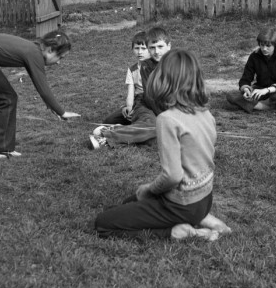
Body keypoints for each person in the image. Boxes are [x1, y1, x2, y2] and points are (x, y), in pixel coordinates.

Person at [94, 49, 232, 240]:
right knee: (125, 204)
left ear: (162, 79)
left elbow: (172, 176)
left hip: (180, 205)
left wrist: (149, 189)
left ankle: (178, 232)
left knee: (103, 223)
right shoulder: (206, 114)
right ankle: (203, 217)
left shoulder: (168, 119)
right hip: (204, 199)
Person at [0, 29, 80, 159]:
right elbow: (43, 87)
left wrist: (52, 107)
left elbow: (38, 84)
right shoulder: (34, 53)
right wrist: (61, 112)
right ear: (50, 50)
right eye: (60, 57)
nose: (59, 62)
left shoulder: (31, 49)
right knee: (6, 99)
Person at [89, 26, 171, 149]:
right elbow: (152, 97)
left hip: (168, 108)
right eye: (152, 48)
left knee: (160, 136)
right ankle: (106, 136)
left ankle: (119, 129)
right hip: (147, 105)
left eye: (160, 47)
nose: (157, 52)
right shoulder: (145, 66)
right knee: (154, 127)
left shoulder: (177, 63)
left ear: (169, 46)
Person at [226, 27, 276, 114]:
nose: (264, 48)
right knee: (231, 95)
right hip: (258, 89)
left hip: (275, 91)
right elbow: (245, 78)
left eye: (268, 46)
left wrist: (267, 90)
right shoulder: (254, 56)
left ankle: (254, 105)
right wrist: (246, 90)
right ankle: (270, 107)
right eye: (262, 45)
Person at [100, 31, 150, 127]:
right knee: (108, 121)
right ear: (132, 49)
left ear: (150, 49)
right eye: (137, 48)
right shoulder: (131, 70)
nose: (140, 52)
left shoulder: (155, 67)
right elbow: (130, 93)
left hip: (149, 104)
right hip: (137, 102)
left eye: (143, 48)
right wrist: (129, 107)